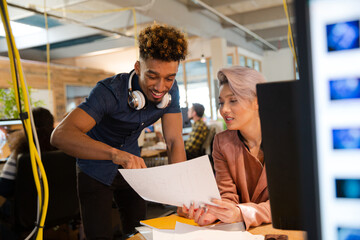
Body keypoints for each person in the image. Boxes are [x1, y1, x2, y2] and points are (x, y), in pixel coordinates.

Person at [50, 23, 188, 239]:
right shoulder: (109, 92)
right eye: (152, 76)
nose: (161, 87)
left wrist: (182, 195)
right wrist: (115, 154)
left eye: (169, 78)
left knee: (140, 232)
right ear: (138, 67)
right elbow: (60, 135)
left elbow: (174, 140)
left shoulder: (171, 92)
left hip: (132, 168)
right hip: (94, 169)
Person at [178, 66, 271, 230]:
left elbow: (290, 203)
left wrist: (241, 213)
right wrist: (215, 212)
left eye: (233, 100)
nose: (224, 110)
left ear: (258, 101)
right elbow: (227, 195)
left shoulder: (289, 138)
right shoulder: (222, 142)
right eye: (221, 102)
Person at [0, 107, 57, 198]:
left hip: (26, 210)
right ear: (52, 124)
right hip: (59, 207)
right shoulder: (62, 151)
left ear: (28, 126)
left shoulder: (20, 153)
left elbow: (4, 189)